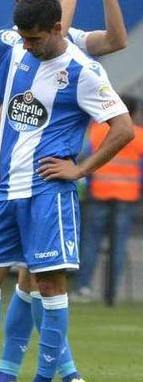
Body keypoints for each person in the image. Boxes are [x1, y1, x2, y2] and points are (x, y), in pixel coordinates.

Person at [0, 0, 134, 382]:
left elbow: (121, 129)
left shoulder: (82, 71)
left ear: (57, 29)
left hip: (47, 194)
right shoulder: (19, 54)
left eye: (34, 38)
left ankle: (45, 377)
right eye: (22, 36)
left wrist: (80, 169)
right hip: (6, 191)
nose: (26, 44)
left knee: (49, 285)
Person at [0, 0, 127, 382]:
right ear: (21, 2)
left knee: (37, 282)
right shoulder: (15, 41)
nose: (55, 2)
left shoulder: (65, 41)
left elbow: (117, 39)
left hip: (49, 181)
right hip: (18, 175)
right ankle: (58, 374)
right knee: (30, 282)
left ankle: (47, 374)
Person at [75, 96, 143, 304]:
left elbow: (82, 156)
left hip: (99, 192)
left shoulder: (96, 130)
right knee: (119, 245)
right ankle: (111, 292)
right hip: (127, 195)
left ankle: (83, 288)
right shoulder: (139, 136)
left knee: (91, 243)